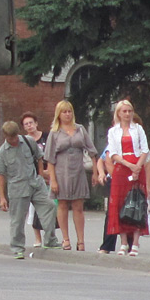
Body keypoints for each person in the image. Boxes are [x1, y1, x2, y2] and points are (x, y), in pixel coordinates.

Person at [0, 120, 61, 259]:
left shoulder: (28, 141)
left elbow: (39, 157)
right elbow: (0, 175)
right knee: (17, 220)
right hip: (18, 188)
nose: (13, 140)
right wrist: (2, 197)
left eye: (15, 137)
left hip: (35, 184)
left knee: (49, 206)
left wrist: (41, 176)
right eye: (10, 138)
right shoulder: (3, 152)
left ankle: (50, 240)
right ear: (5, 137)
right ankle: (17, 248)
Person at [44, 100, 98, 250]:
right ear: (59, 114)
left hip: (78, 172)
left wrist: (95, 172)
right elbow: (49, 159)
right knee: (62, 205)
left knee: (78, 206)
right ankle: (65, 239)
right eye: (64, 112)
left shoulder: (80, 129)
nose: (67, 114)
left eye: (69, 111)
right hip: (61, 173)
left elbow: (92, 151)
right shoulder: (55, 133)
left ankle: (81, 241)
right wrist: (53, 180)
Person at [105, 99, 150, 256]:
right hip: (121, 169)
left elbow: (145, 150)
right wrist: (129, 165)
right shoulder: (113, 131)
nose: (127, 114)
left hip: (137, 167)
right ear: (118, 113)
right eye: (124, 111)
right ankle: (123, 242)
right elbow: (113, 153)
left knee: (137, 202)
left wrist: (137, 167)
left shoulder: (138, 129)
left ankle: (136, 243)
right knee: (120, 204)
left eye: (129, 111)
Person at [20, 111, 51, 247]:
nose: (29, 126)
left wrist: (48, 173)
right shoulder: (23, 141)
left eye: (31, 123)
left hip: (49, 175)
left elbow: (51, 155)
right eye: (26, 124)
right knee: (33, 209)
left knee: (50, 207)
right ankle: (37, 238)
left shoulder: (46, 137)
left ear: (36, 123)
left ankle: (50, 237)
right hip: (33, 178)